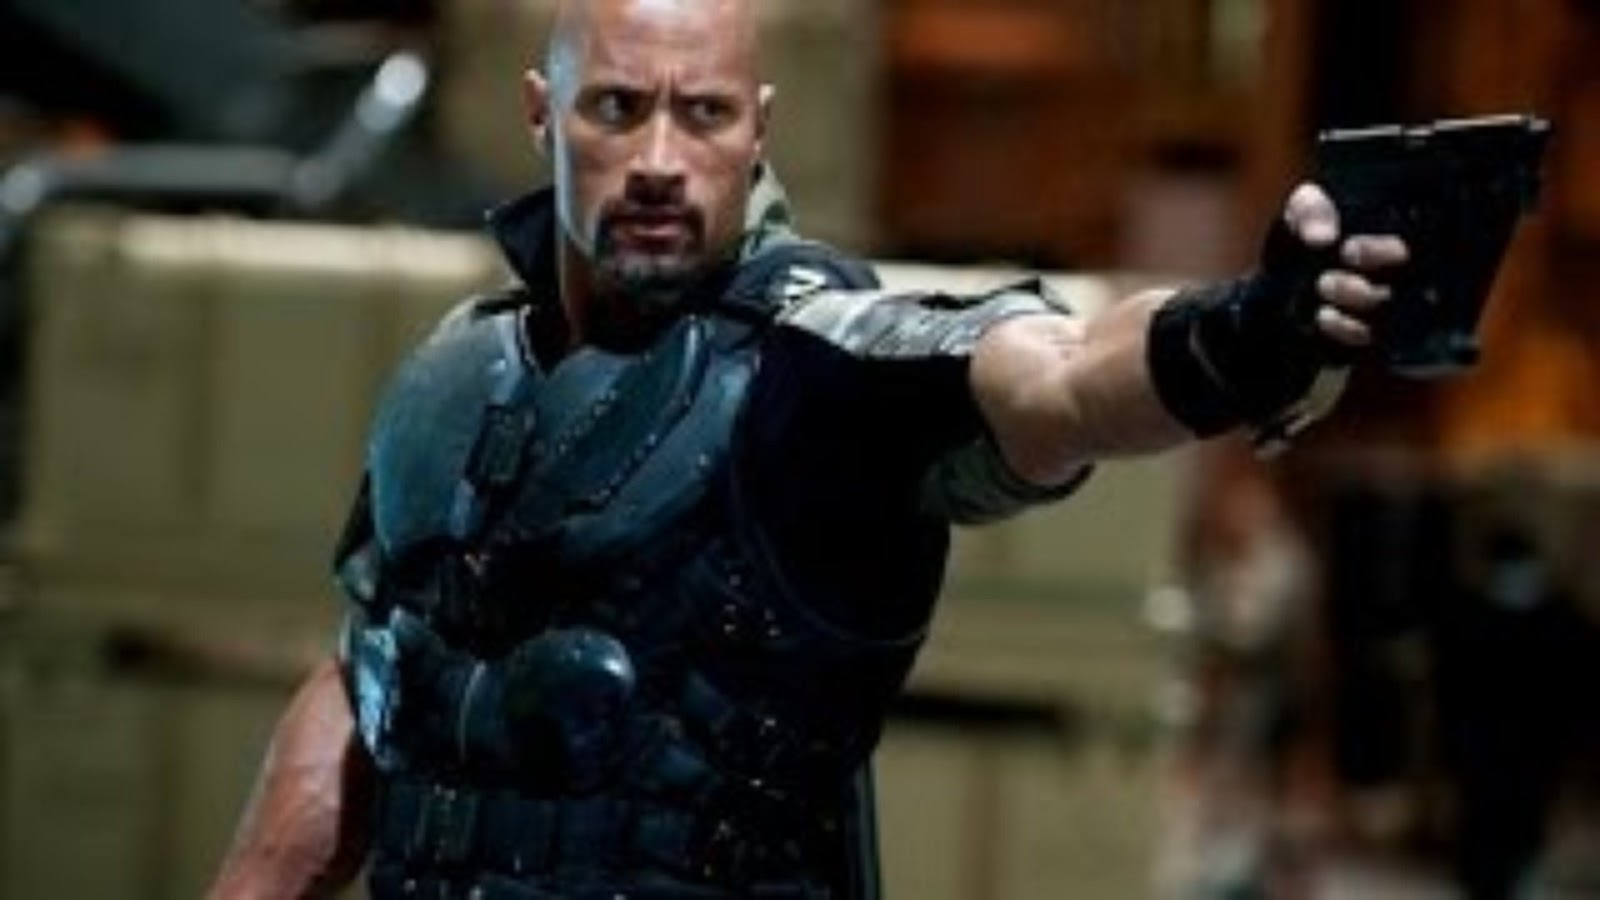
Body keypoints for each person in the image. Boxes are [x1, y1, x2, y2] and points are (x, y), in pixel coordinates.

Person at [208, 0, 1412, 896]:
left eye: (705, 113)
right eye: (617, 108)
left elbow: (1056, 374)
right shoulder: (454, 380)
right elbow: (378, 678)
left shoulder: (815, 370)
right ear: (542, 113)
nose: (661, 162)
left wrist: (1242, 333)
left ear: (758, 130)